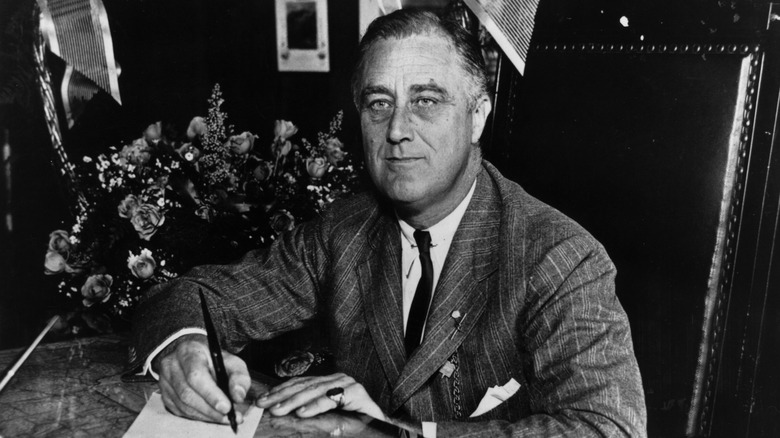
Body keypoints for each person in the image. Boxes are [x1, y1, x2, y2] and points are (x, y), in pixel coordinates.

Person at [131, 8, 647, 437]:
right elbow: (197, 296)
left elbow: (606, 428)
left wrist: (398, 435)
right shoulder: (344, 229)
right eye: (379, 103)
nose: (397, 129)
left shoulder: (558, 256)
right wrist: (183, 348)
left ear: (478, 116)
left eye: (425, 101)